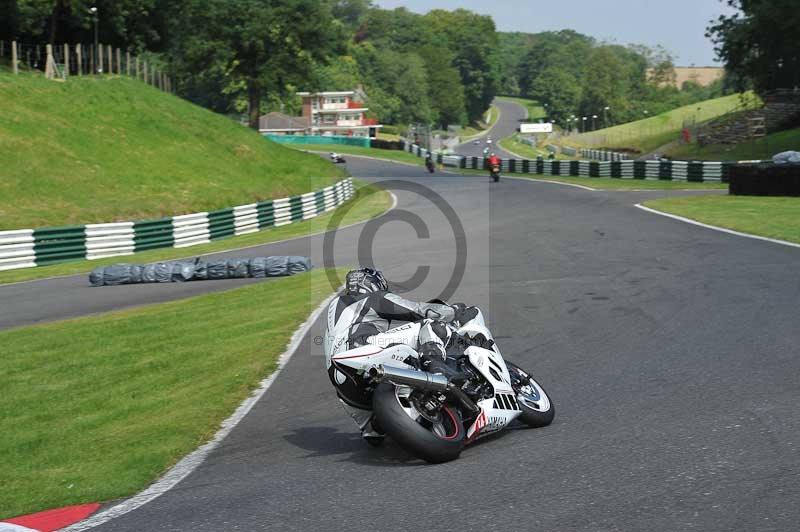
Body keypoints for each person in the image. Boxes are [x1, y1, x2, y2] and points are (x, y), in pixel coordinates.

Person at [324, 267, 479, 444]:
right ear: (373, 283)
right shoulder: (373, 297)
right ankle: (437, 369)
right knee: (427, 325)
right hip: (364, 349)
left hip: (341, 382)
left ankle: (379, 423)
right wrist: (454, 312)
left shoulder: (335, 309)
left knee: (373, 436)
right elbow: (418, 310)